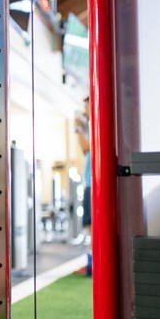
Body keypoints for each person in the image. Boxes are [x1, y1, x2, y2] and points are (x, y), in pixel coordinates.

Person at [75, 95, 92, 276]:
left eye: (86, 107)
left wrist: (78, 127)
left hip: (93, 183)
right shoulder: (92, 127)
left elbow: (86, 147)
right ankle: (92, 263)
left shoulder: (96, 126)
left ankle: (94, 265)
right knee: (90, 225)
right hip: (90, 181)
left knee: (92, 226)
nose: (85, 111)